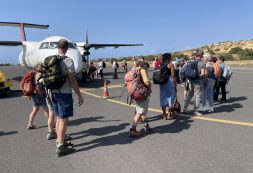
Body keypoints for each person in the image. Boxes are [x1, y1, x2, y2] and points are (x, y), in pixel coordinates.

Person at [49, 39, 84, 156]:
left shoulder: (50, 60)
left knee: (59, 117)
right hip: (64, 93)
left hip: (53, 92)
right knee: (64, 119)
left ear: (57, 47)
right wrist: (79, 95)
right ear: (66, 48)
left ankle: (59, 140)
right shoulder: (68, 61)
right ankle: (60, 146)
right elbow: (72, 80)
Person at [129, 61, 152, 137]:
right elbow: (147, 82)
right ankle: (133, 129)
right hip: (141, 94)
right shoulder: (142, 70)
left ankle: (146, 126)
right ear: (144, 66)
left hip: (134, 93)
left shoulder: (134, 70)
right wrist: (149, 84)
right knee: (140, 112)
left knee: (141, 110)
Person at [182, 49, 207, 116]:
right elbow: (203, 74)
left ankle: (184, 108)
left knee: (190, 95)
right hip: (198, 81)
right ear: (201, 55)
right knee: (198, 96)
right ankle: (195, 110)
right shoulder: (202, 63)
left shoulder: (191, 62)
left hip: (190, 80)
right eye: (202, 54)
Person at [26, 64, 49, 130]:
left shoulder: (33, 74)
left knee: (35, 110)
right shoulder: (41, 75)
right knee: (46, 110)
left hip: (34, 94)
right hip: (40, 94)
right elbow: (43, 86)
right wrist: (47, 95)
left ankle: (30, 124)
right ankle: (51, 123)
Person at [159, 53, 177, 120]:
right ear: (169, 57)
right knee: (170, 98)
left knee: (163, 98)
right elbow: (173, 75)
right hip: (169, 82)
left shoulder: (161, 64)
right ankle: (169, 114)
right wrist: (175, 85)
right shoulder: (171, 64)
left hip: (162, 82)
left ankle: (164, 115)